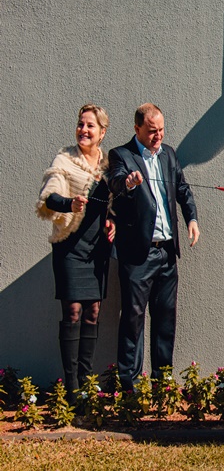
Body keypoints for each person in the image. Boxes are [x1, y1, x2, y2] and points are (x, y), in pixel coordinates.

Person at [108, 103, 200, 391]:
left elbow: (182, 188)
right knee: (133, 318)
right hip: (139, 254)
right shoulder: (121, 155)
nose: (158, 135)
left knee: (165, 318)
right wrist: (128, 183)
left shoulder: (168, 154)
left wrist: (192, 219)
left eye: (161, 129)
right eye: (151, 131)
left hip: (167, 252)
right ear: (137, 129)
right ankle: (131, 385)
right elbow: (115, 184)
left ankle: (163, 382)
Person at [36, 104, 115, 404]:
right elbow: (50, 196)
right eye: (81, 124)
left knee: (93, 311)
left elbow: (115, 203)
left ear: (102, 132)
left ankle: (86, 382)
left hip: (97, 250)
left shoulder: (109, 165)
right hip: (70, 247)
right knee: (72, 312)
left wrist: (112, 221)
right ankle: (71, 388)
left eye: (90, 126)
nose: (83, 130)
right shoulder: (65, 159)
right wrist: (69, 203)